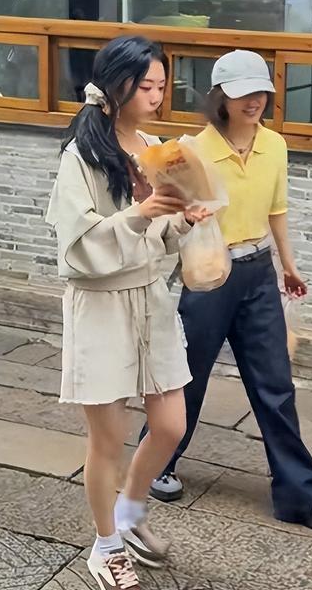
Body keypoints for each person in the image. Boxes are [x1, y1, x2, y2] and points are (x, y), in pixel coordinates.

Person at [140, 49, 312, 534]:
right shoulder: (190, 151)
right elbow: (170, 213)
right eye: (242, 94)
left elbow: (277, 210)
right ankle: (155, 463)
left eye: (260, 92)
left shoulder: (275, 145)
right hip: (209, 276)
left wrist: (288, 267)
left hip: (257, 275)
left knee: (276, 384)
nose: (254, 101)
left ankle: (301, 496)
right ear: (220, 98)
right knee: (188, 375)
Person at [46, 35, 208, 590]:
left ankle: (130, 514)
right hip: (100, 305)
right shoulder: (82, 154)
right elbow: (77, 246)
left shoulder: (157, 146)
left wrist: (184, 220)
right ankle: (106, 546)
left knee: (171, 425)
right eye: (146, 87)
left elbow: (161, 237)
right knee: (107, 441)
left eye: (162, 86)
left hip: (150, 299)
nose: (157, 97)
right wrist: (141, 214)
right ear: (117, 85)